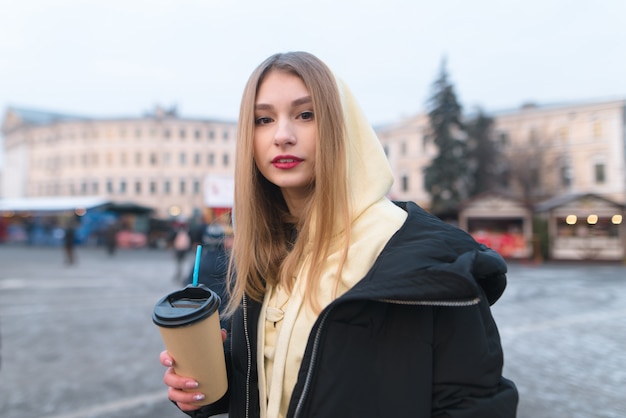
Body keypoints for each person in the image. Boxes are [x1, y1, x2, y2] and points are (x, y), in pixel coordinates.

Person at [160, 51, 518, 417]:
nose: (282, 136)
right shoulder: (262, 250)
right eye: (263, 119)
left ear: (342, 125)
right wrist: (210, 387)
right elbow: (287, 381)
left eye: (305, 114)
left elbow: (475, 405)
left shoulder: (430, 261)